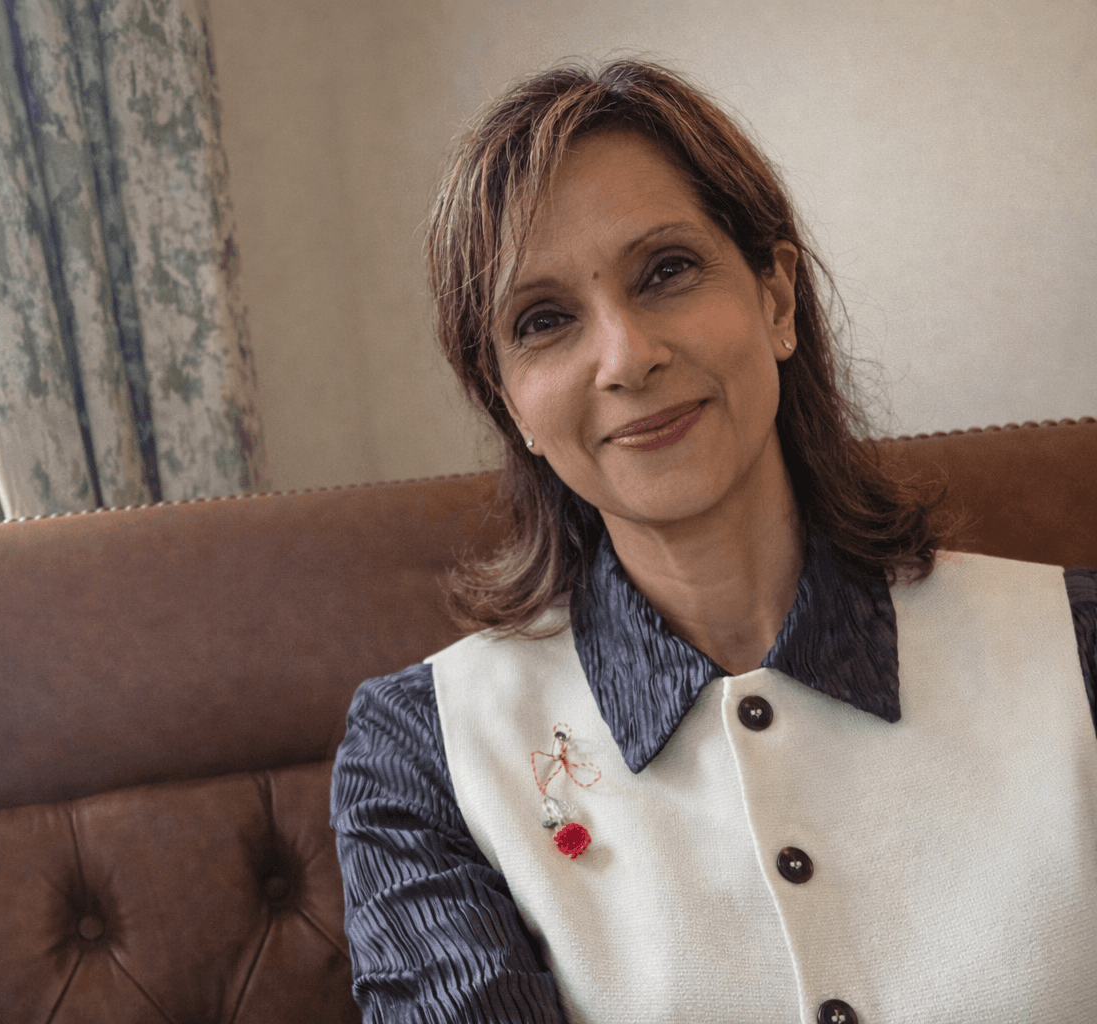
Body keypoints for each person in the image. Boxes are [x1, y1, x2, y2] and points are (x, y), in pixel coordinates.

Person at [330, 60, 1097, 1023]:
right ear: (508, 402)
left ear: (776, 298)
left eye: (667, 271)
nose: (627, 355)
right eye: (546, 320)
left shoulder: (1077, 649)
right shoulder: (422, 757)